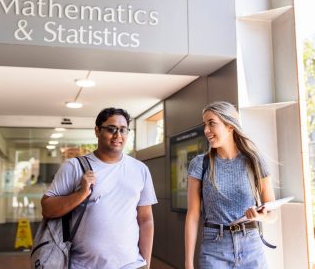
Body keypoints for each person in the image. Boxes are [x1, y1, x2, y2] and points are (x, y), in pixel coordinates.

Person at [41, 107, 157, 269]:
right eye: (111, 129)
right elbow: (47, 208)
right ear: (97, 131)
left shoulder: (140, 169)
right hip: (83, 265)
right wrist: (81, 194)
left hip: (132, 265)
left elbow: (145, 219)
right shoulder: (74, 167)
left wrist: (146, 263)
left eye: (123, 130)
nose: (118, 135)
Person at [185, 101, 276, 269]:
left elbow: (271, 214)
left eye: (211, 123)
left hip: (251, 246)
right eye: (205, 124)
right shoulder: (199, 164)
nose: (206, 130)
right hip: (214, 249)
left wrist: (258, 216)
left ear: (230, 126)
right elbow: (192, 216)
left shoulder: (255, 161)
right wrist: (188, 263)